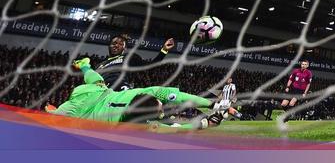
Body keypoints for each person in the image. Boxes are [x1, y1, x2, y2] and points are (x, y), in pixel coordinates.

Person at [46, 58, 218, 129]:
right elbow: (175, 130)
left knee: (97, 81)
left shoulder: (143, 93)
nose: (163, 110)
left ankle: (84, 65)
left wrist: (211, 104)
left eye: (159, 105)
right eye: (160, 109)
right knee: (54, 121)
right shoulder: (128, 124)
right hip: (79, 111)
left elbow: (176, 100)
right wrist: (206, 123)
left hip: (97, 92)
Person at [95, 34, 175, 90]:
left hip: (120, 90)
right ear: (109, 46)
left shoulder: (128, 57)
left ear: (124, 49)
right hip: (102, 93)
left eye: (120, 44)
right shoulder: (99, 65)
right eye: (114, 43)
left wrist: (164, 50)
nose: (116, 45)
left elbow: (151, 66)